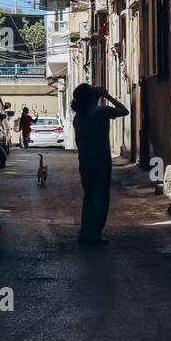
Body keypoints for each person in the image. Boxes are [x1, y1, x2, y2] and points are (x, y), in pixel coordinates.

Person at [71, 84, 129, 246]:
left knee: (88, 197)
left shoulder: (78, 118)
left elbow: (79, 141)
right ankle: (95, 234)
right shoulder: (102, 112)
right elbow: (124, 110)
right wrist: (107, 96)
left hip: (84, 160)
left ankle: (84, 232)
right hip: (101, 161)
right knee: (100, 198)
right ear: (92, 97)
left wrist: (96, 96)